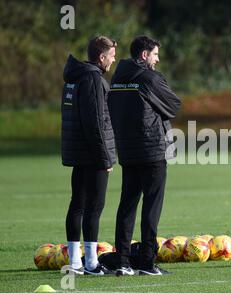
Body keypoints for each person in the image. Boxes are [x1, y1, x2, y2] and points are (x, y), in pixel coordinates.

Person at [108, 35, 181, 276]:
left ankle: (122, 261)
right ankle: (147, 262)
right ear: (144, 55)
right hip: (151, 150)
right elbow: (173, 105)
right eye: (155, 55)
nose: (157, 59)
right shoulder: (150, 77)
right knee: (152, 205)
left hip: (127, 150)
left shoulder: (117, 78)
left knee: (127, 204)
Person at [61, 36, 117, 275]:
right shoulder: (93, 79)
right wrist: (104, 158)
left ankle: (74, 262)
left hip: (78, 152)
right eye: (112, 55)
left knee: (78, 205)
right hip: (93, 154)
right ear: (102, 57)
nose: (113, 60)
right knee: (94, 206)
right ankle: (92, 263)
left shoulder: (75, 78)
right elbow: (95, 122)